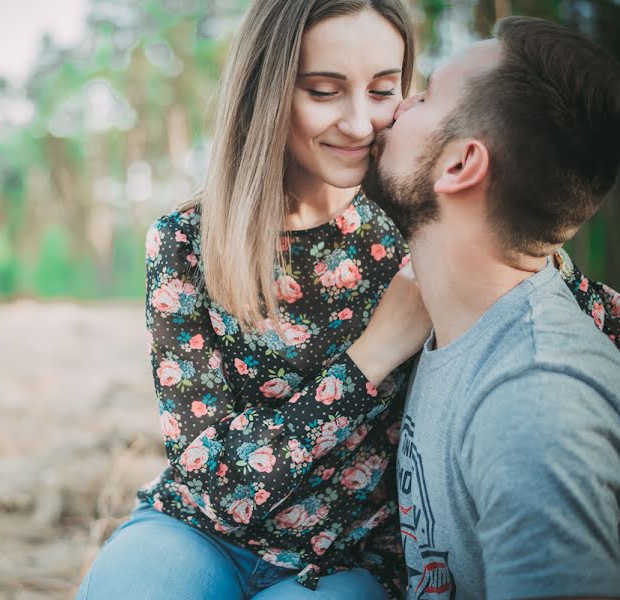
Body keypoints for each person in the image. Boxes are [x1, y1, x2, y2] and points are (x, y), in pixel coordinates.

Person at [76, 1, 620, 598]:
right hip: (202, 530)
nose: (362, 124)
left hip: (350, 562)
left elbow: (546, 287)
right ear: (271, 93)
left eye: (385, 89)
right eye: (325, 91)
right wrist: (370, 358)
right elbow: (217, 485)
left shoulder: (419, 216)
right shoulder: (187, 242)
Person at [361, 16, 620, 599]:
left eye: (424, 96)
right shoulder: (466, 335)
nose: (399, 105)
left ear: (460, 165)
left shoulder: (532, 402)